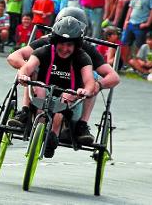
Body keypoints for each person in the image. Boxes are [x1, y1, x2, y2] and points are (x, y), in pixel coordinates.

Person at [12, 16, 96, 158]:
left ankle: (53, 136)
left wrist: (85, 90)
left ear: (76, 45)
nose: (64, 49)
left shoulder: (82, 57)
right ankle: (38, 127)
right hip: (43, 95)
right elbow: (27, 67)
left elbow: (89, 80)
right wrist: (24, 76)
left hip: (69, 101)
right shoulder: (43, 51)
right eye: (61, 44)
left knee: (66, 96)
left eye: (69, 45)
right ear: (55, 42)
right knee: (39, 87)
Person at [121, 0, 152, 65]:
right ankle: (124, 64)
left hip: (141, 24)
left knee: (139, 45)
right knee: (125, 44)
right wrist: (126, 20)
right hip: (131, 22)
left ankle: (136, 64)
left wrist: (148, 23)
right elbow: (130, 8)